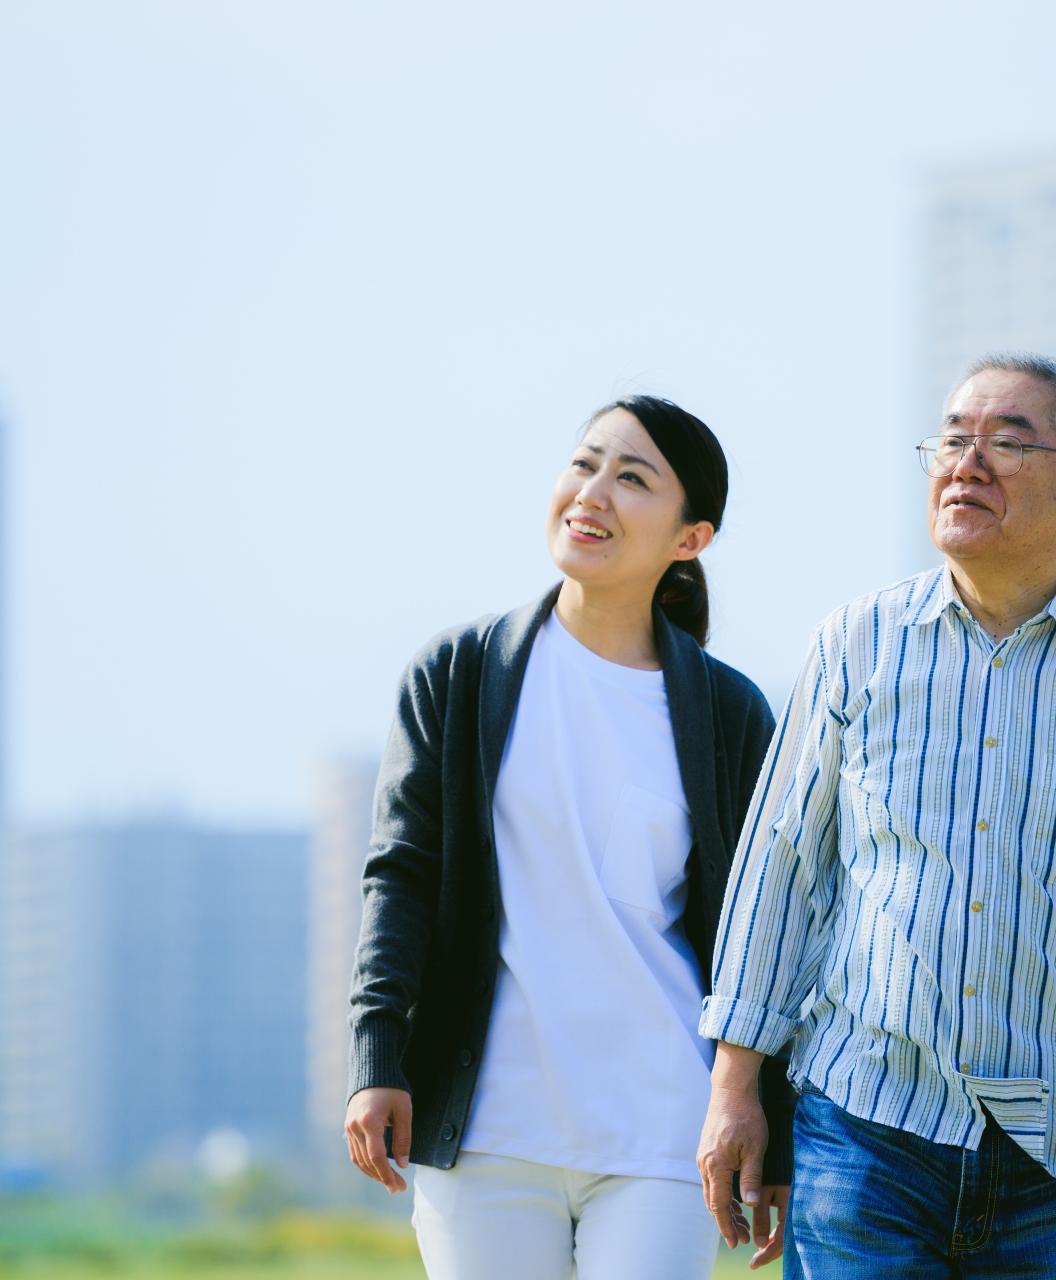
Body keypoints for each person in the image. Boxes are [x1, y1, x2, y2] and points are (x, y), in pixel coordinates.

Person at [696, 353, 1056, 1279]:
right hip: (868, 1137)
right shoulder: (855, 645)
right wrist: (736, 1086)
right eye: (953, 438)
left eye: (1007, 443)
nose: (966, 463)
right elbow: (782, 870)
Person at [345, 396, 794, 1279]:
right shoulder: (460, 674)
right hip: (487, 1134)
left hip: (666, 1131)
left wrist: (767, 1126)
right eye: (585, 463)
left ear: (689, 539)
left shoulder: (729, 713)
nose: (593, 492)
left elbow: (766, 931)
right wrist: (376, 1051)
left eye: (632, 478)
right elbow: (400, 875)